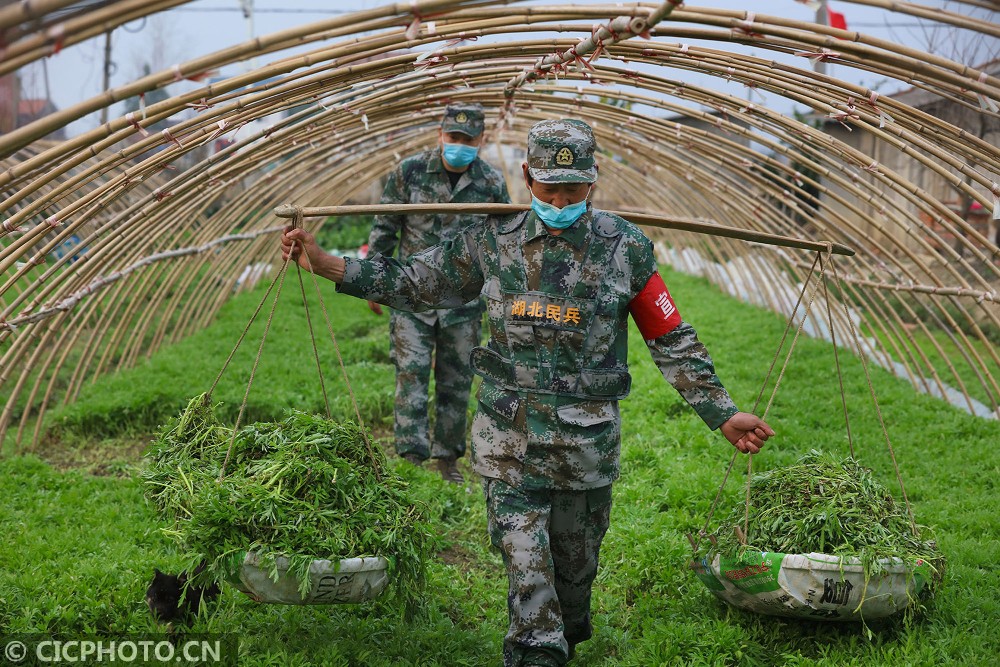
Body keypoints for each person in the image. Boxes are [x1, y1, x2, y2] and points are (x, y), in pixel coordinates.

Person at [281, 119, 774, 667]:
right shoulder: (493, 242)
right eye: (549, 187)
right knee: (527, 576)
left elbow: (670, 336)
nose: (561, 200)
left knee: (573, 577)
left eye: (575, 189)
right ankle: (537, 649)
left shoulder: (625, 249)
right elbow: (415, 280)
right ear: (526, 178)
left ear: (594, 182)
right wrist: (328, 264)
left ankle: (565, 629)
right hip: (507, 441)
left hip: (584, 450)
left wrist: (721, 412)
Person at [365, 102, 511, 483]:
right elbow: (385, 227)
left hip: (463, 302)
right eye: (452, 137)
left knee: (457, 378)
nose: (458, 144)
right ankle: (411, 456)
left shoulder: (491, 183)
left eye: (467, 139)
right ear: (440, 135)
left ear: (481, 140)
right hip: (411, 295)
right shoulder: (409, 172)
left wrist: (501, 293)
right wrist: (374, 282)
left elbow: (503, 241)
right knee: (410, 374)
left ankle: (448, 458)